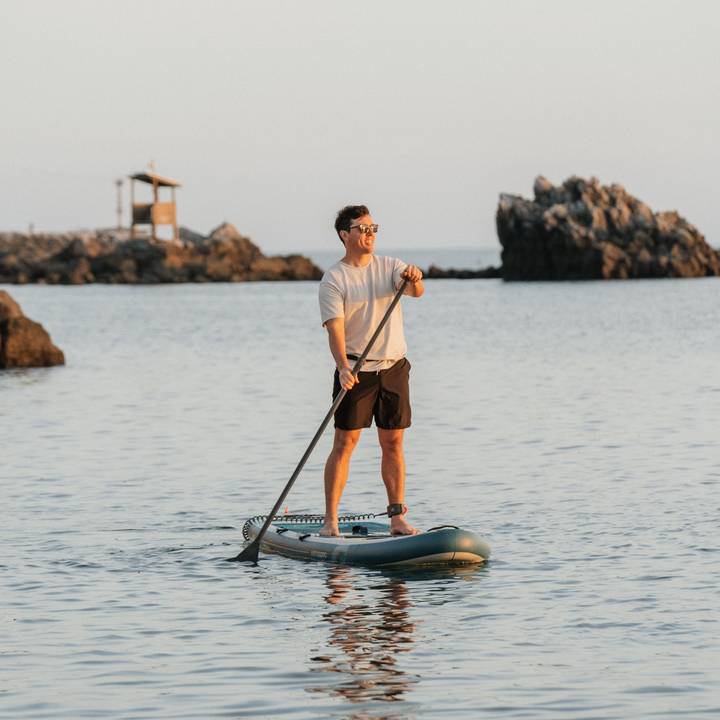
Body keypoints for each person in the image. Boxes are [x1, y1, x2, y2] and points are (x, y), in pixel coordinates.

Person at [317, 205, 424, 537]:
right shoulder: (335, 279)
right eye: (363, 229)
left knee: (393, 443)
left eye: (373, 228)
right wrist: (342, 366)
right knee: (345, 443)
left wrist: (415, 279)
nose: (370, 234)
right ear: (344, 235)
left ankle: (397, 518)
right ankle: (331, 522)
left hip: (393, 368)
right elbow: (334, 329)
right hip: (356, 369)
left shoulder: (390, 266)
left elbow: (415, 291)